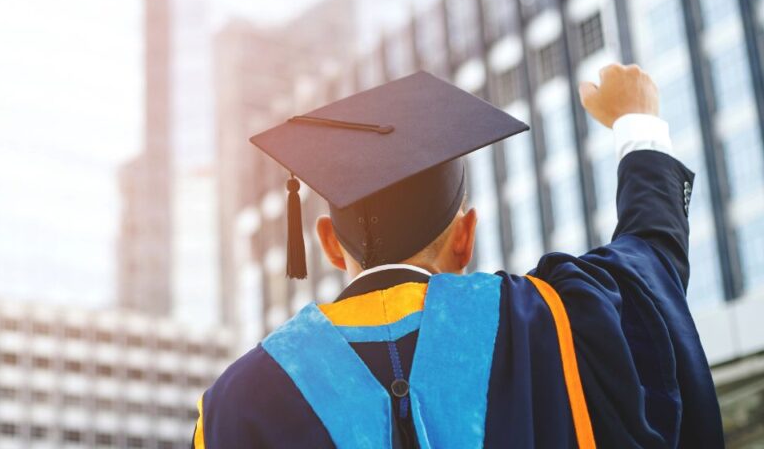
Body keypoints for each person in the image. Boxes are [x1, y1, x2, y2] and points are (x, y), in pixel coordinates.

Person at [191, 64, 723, 448]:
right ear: (465, 236)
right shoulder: (554, 319)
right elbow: (649, 260)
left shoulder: (230, 409)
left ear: (329, 242)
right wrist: (638, 123)